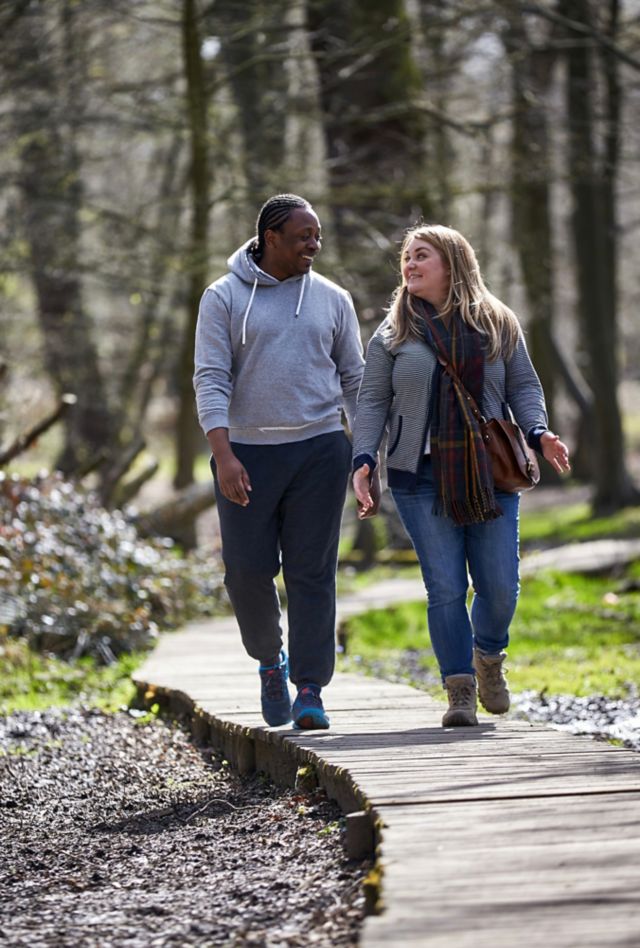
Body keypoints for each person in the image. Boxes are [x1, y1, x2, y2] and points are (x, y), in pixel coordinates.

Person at [352, 224, 570, 727]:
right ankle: (459, 690)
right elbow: (371, 402)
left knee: (500, 586)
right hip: (418, 474)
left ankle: (488, 656)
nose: (409, 265)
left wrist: (539, 432)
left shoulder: (497, 323)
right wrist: (363, 459)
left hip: (490, 472)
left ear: (452, 264)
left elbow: (524, 386)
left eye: (420, 255)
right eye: (406, 256)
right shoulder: (392, 334)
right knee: (445, 588)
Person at [194, 193, 364, 730]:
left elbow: (355, 379)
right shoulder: (222, 298)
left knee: (312, 573)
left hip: (319, 449)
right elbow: (210, 377)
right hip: (244, 455)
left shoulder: (333, 298)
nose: (314, 244)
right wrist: (222, 454)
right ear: (270, 238)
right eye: (302, 236)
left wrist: (366, 456)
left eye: (317, 236)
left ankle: (310, 689)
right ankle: (270, 661)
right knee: (246, 573)